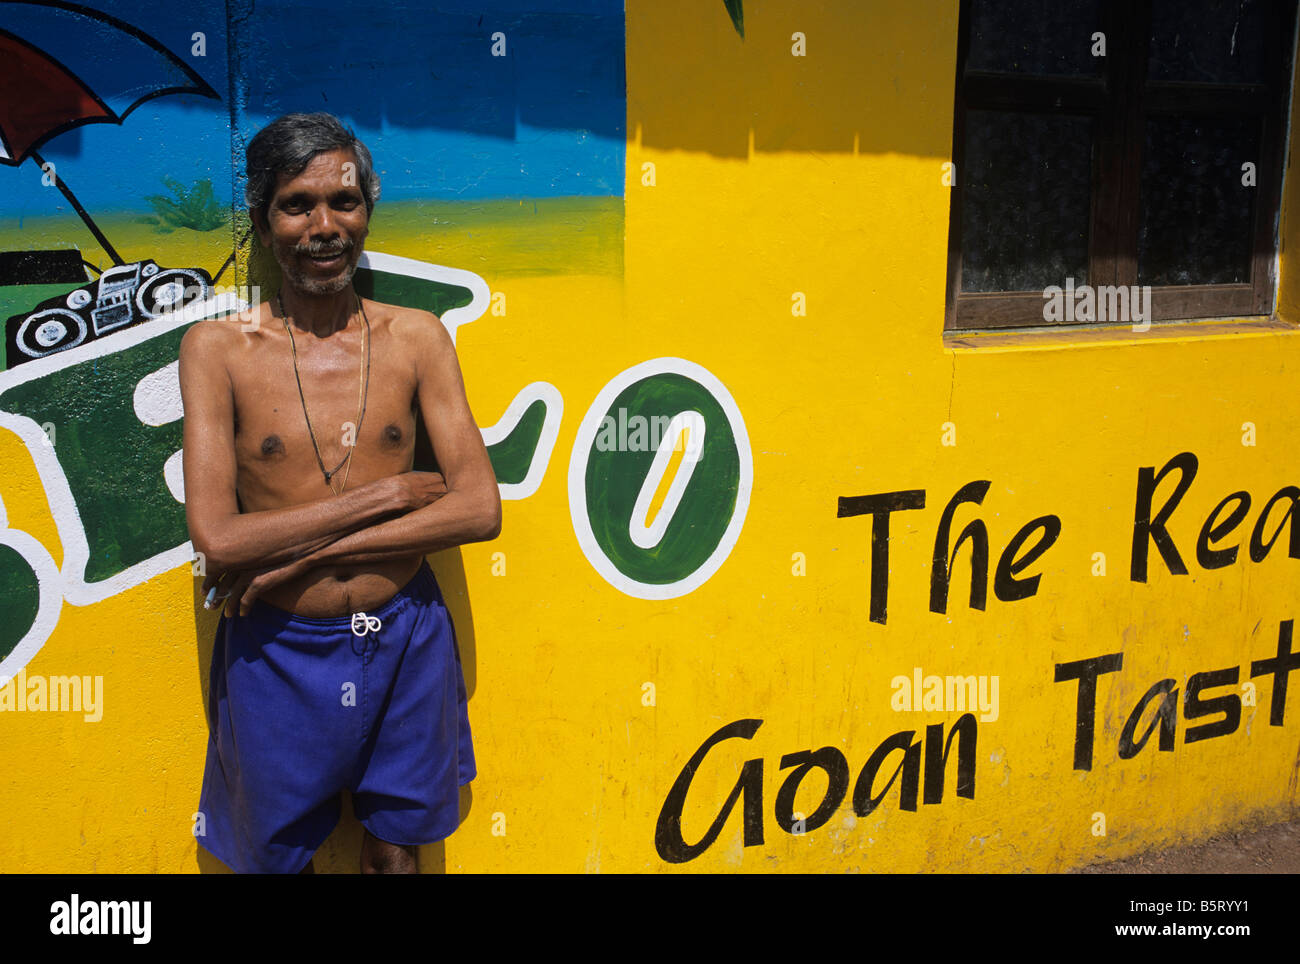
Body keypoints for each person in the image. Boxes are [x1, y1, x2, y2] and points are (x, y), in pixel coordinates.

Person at [178, 112, 501, 874]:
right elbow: (218, 539)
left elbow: (479, 509)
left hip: (406, 636)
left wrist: (289, 559)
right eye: (297, 205)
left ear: (368, 210)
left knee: (398, 854)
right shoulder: (217, 349)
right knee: (278, 860)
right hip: (278, 652)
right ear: (262, 222)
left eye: (344, 202)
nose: (324, 227)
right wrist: (383, 498)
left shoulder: (417, 337)